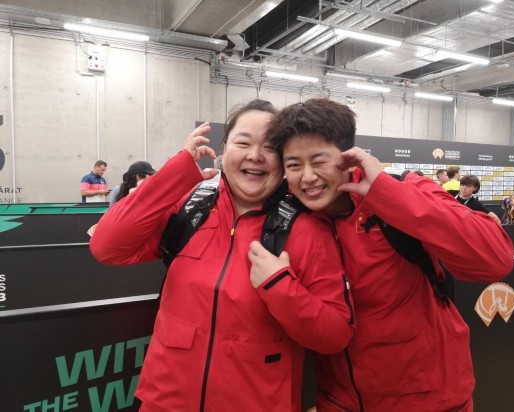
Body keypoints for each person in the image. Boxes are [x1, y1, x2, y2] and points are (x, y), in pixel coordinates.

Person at [89, 99, 354, 411]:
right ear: (224, 148)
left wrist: (280, 287)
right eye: (243, 142)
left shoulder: (305, 229)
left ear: (282, 161)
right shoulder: (190, 208)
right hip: (166, 400)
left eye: (270, 147)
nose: (255, 155)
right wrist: (177, 172)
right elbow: (107, 246)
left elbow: (335, 335)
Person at [264, 98, 514, 412]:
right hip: (339, 401)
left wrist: (386, 195)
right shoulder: (288, 218)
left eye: (319, 161)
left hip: (431, 401)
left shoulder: (404, 189)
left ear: (348, 158)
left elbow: (495, 259)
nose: (308, 177)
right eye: (294, 165)